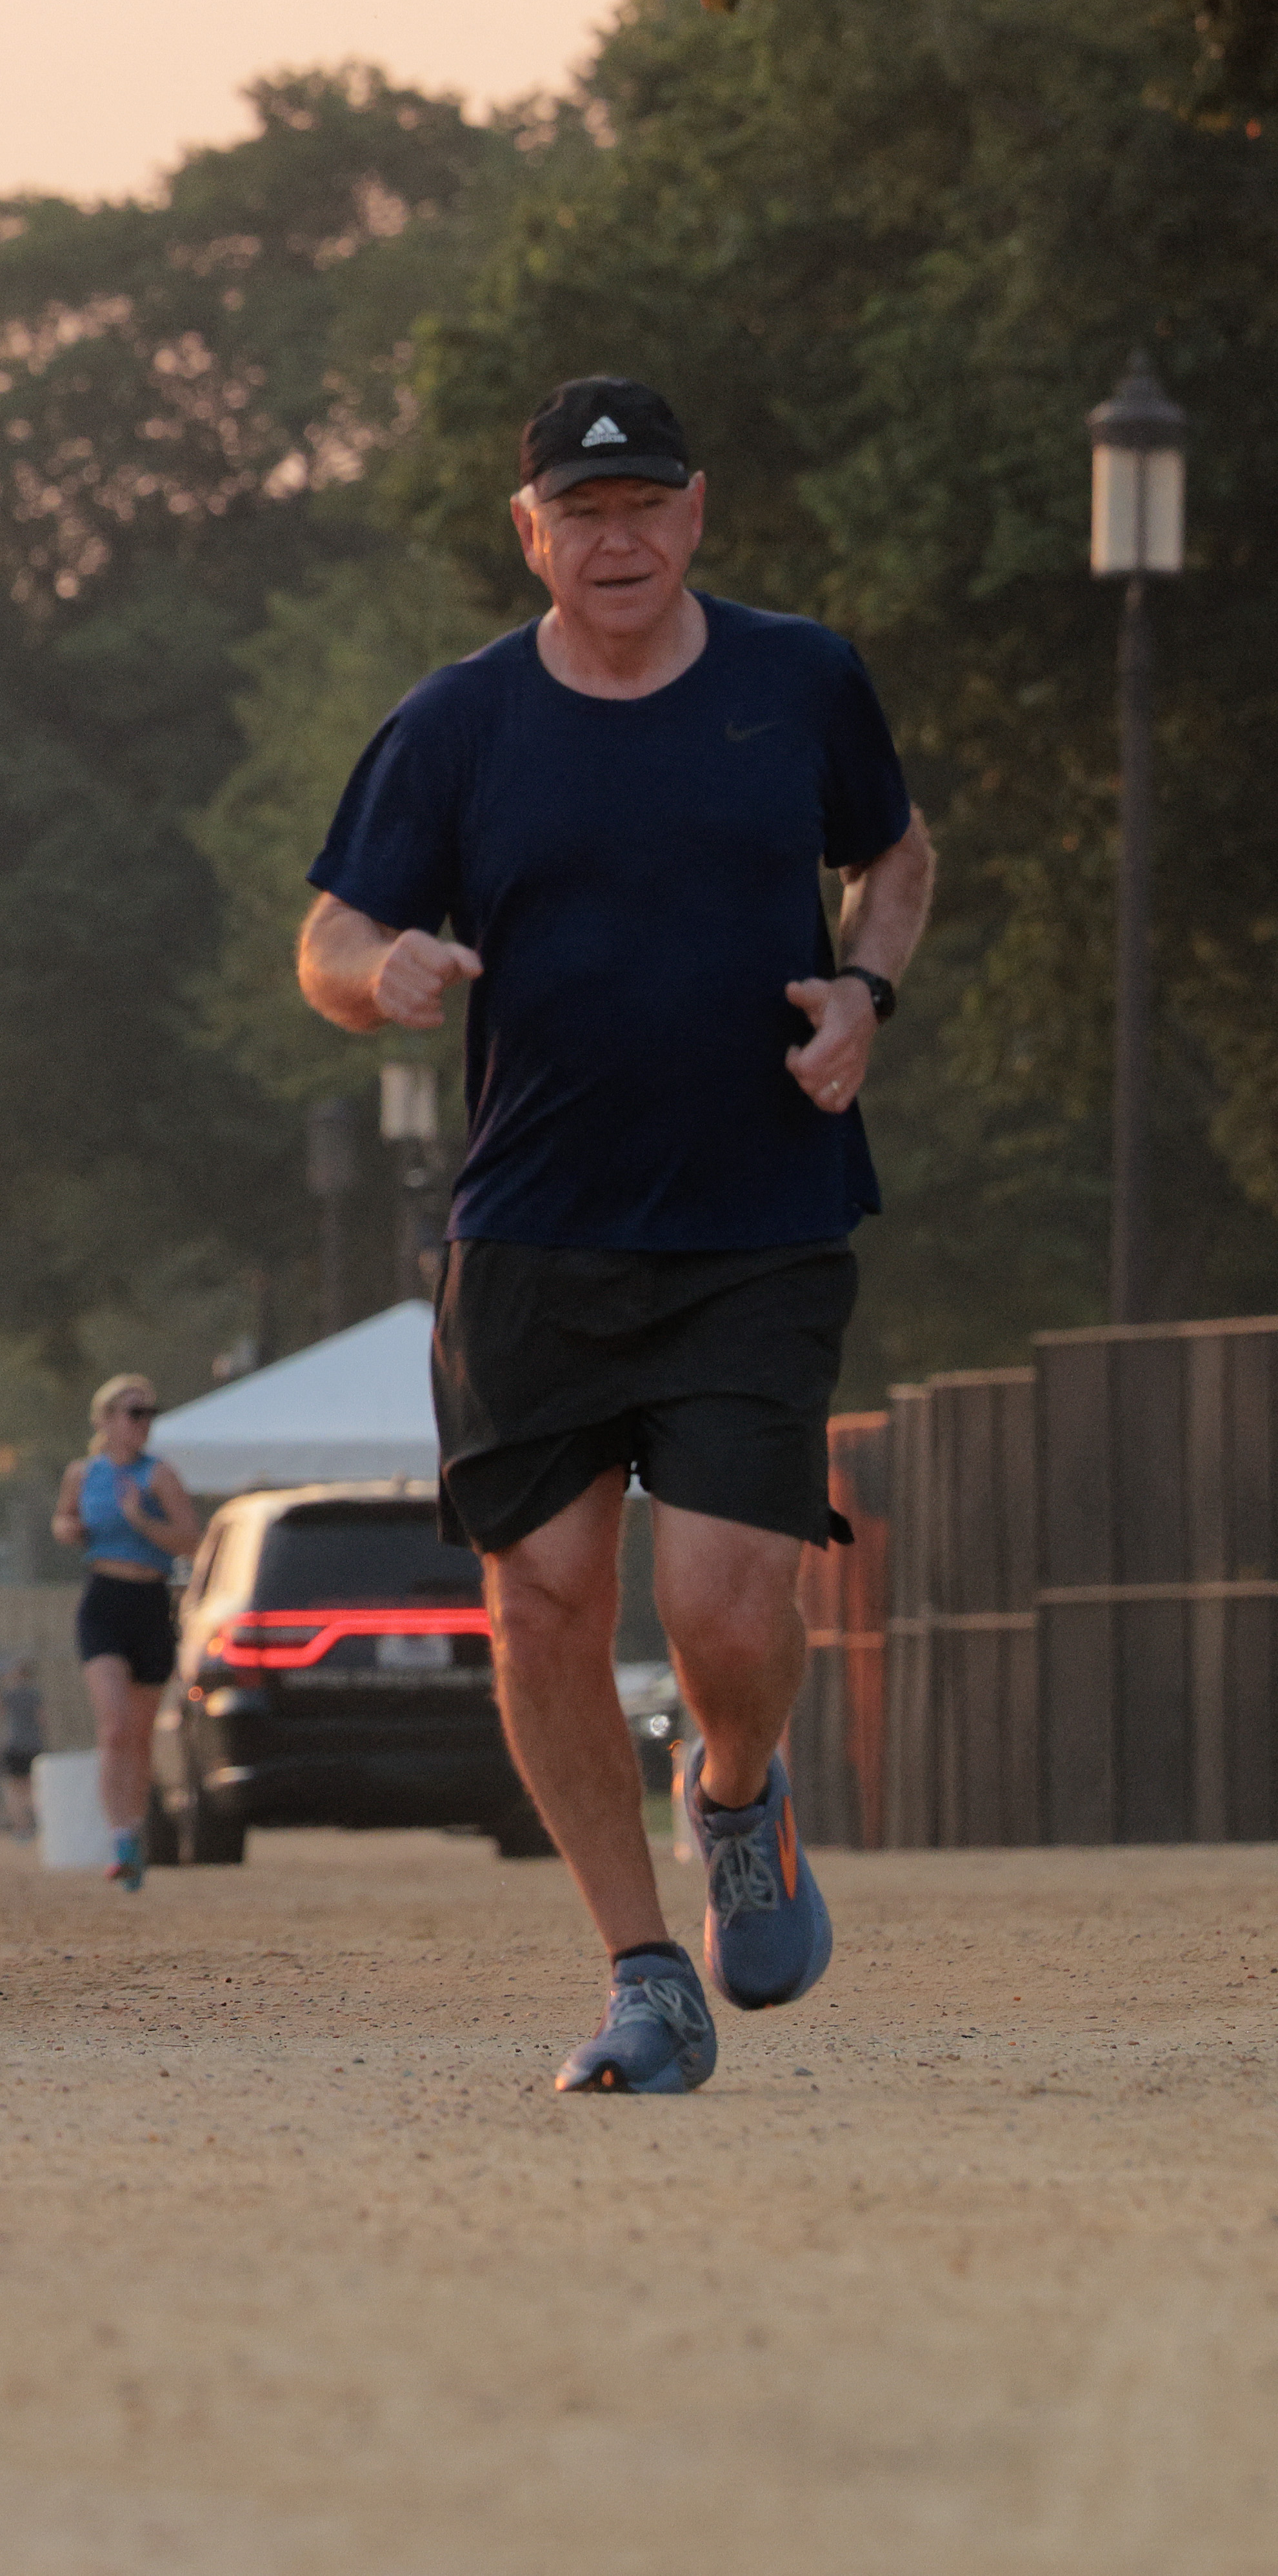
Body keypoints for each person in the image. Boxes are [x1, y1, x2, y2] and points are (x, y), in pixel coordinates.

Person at [299, 375, 931, 2097]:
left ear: (695, 510)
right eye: (579, 514)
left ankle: (735, 1792)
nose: (615, 537)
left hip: (756, 1215)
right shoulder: (457, 723)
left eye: (642, 503)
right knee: (544, 1602)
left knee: (726, 1614)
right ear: (529, 534)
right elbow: (332, 931)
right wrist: (382, 972)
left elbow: (895, 853)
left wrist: (861, 989)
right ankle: (640, 1971)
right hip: (530, 1234)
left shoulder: (796, 680)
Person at [51, 1376, 203, 1887]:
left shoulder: (158, 1475)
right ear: (105, 1420)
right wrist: (68, 1529)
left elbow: (191, 1541)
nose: (141, 1423)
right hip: (103, 1600)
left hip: (149, 1600)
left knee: (139, 1736)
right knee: (113, 1727)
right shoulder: (83, 1472)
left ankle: (134, 1831)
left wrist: (143, 1522)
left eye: (147, 1414)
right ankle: (117, 1835)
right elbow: (64, 1518)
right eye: (131, 1412)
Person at [0, 1654, 48, 1836]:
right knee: (32, 1787)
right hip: (33, 1745)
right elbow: (42, 1719)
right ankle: (37, 1824)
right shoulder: (35, 1694)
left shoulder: (8, 1694)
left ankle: (22, 1827)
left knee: (12, 1789)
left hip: (13, 1746)